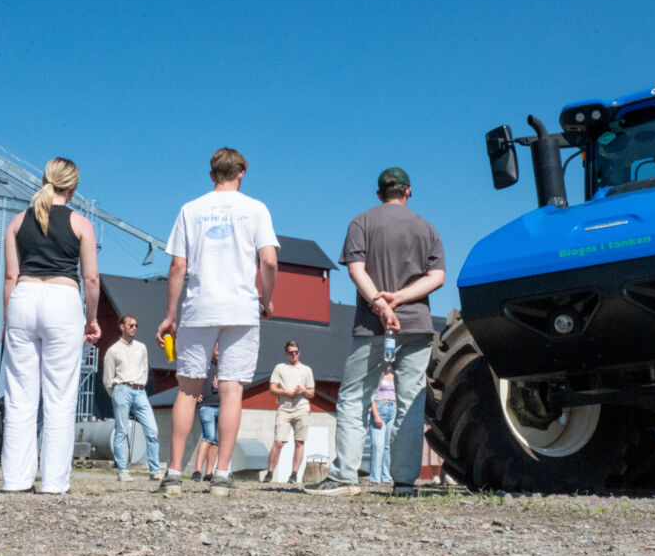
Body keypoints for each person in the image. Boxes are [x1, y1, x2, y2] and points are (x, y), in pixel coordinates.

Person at [305, 167, 445, 498]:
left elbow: (356, 271)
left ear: (379, 194)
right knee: (410, 402)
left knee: (355, 397)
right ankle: (405, 483)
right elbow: (437, 278)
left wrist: (381, 305)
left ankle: (344, 477)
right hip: (417, 325)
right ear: (408, 192)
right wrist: (400, 298)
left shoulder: (361, 222)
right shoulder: (428, 229)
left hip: (372, 327)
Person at [156, 147, 278, 497]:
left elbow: (177, 267)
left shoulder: (190, 210)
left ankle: (174, 472)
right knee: (231, 389)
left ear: (211, 175)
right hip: (241, 307)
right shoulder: (256, 209)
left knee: (187, 389)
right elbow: (269, 261)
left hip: (200, 307)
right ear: (242, 173)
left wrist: (170, 315)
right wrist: (266, 298)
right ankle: (222, 474)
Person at [1, 157, 101, 494]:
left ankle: (15, 480)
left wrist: (7, 322)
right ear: (73, 187)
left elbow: (10, 277)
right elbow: (91, 278)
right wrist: (91, 319)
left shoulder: (17, 222)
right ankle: (54, 482)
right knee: (60, 396)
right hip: (62, 300)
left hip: (23, 299)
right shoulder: (80, 224)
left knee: (19, 396)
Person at [101, 315, 161, 481]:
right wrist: (116, 394)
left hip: (140, 391)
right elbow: (107, 378)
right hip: (122, 388)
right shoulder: (113, 350)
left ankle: (154, 470)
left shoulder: (141, 348)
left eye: (136, 325)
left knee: (152, 430)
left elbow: (145, 369)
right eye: (131, 325)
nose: (134, 328)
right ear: (122, 327)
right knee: (121, 431)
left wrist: (141, 385)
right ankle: (122, 471)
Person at [260, 340, 314, 485]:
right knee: (279, 442)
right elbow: (272, 389)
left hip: (302, 408)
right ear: (286, 354)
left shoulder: (306, 370)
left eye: (296, 352)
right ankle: (269, 473)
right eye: (291, 353)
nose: (294, 355)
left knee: (299, 442)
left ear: (299, 352)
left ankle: (294, 474)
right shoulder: (280, 368)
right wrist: (287, 393)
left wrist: (303, 390)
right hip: (284, 408)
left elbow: (311, 392)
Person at [191, 349, 220, 482]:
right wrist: (195, 393)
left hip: (222, 406)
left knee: (216, 440)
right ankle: (197, 470)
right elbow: (190, 379)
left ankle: (209, 473)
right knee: (208, 436)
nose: (219, 352)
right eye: (217, 349)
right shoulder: (204, 364)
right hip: (207, 405)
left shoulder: (226, 365)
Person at [368, 367, 396, 484]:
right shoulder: (377, 375)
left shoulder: (394, 376)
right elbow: (371, 396)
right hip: (380, 407)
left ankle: (386, 477)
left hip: (392, 408)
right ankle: (375, 477)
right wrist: (376, 415)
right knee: (377, 445)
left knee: (387, 446)